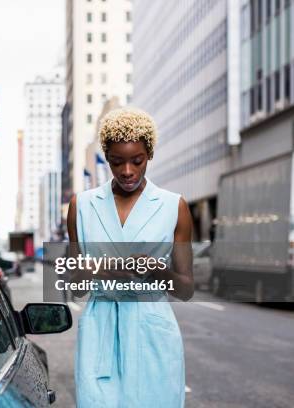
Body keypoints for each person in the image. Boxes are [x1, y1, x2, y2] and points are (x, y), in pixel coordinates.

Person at [67, 107, 194, 408]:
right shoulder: (82, 206)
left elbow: (186, 289)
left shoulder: (174, 206)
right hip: (101, 328)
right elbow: (75, 286)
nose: (127, 171)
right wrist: (106, 269)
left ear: (149, 154)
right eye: (116, 162)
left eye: (137, 161)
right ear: (106, 158)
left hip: (153, 330)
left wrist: (155, 270)